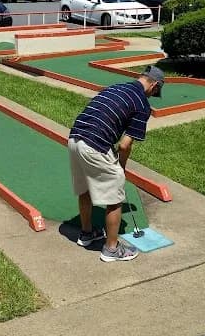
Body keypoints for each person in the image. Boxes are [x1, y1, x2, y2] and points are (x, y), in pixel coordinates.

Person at [67, 65, 164, 262]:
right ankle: (112, 249)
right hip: (95, 145)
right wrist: (121, 167)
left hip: (74, 139)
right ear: (153, 85)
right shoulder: (142, 105)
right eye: (155, 92)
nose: (153, 96)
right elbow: (125, 145)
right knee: (114, 196)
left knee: (85, 189)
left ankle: (87, 233)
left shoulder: (116, 87)